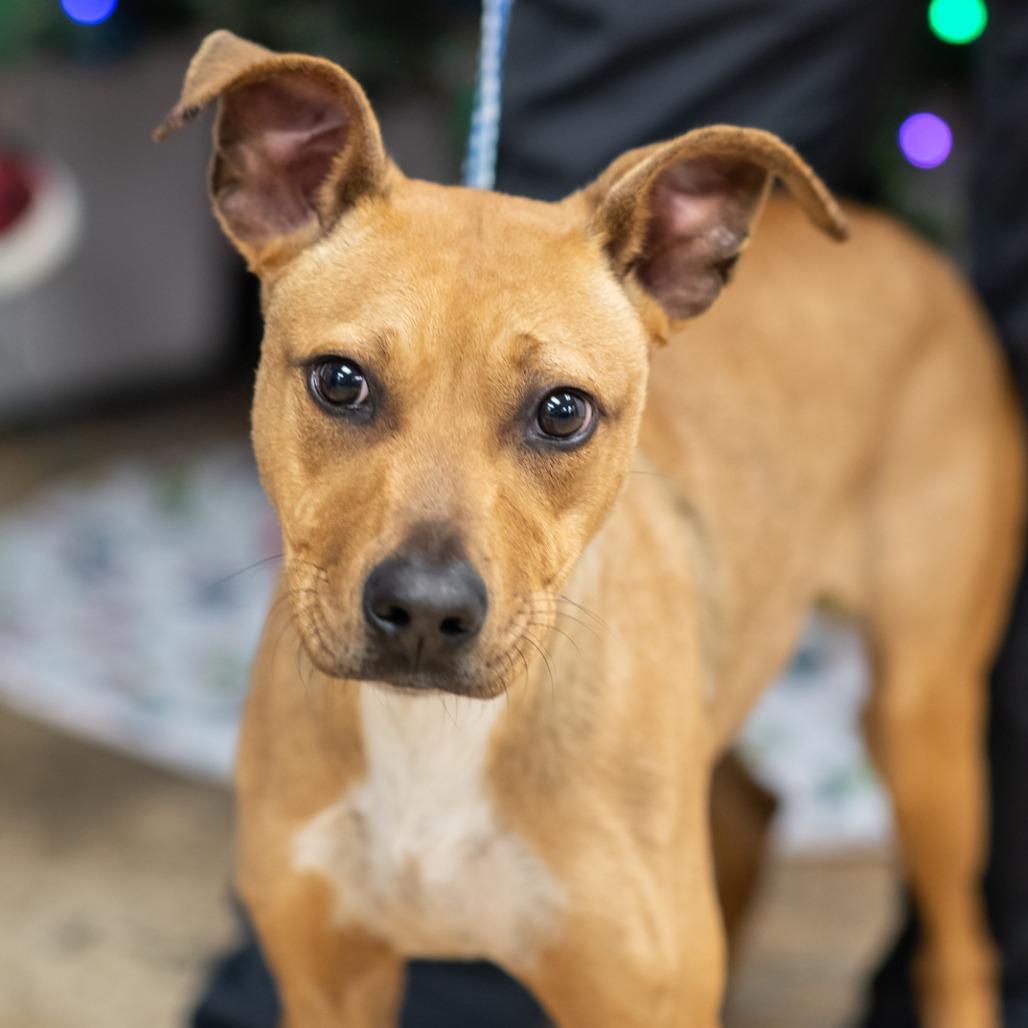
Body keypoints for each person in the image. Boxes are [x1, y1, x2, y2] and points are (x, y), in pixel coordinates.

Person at [194, 2, 1028, 1024]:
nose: (425, 583)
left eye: (555, 414)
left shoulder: (882, 323)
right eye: (342, 387)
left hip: (898, 405)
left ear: (677, 265)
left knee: (921, 727)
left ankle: (962, 981)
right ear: (267, 190)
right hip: (319, 740)